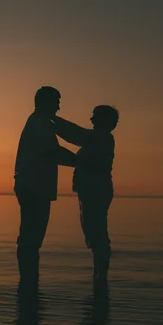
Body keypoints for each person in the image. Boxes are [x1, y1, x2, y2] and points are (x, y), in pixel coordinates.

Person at [13, 86, 77, 286]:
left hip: (33, 185)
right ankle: (29, 280)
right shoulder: (39, 123)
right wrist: (82, 161)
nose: (59, 106)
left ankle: (29, 280)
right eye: (56, 101)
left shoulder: (42, 122)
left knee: (31, 237)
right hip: (34, 186)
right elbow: (52, 152)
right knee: (32, 238)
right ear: (44, 102)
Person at [52, 105, 119, 284]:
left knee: (97, 234)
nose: (91, 119)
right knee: (93, 233)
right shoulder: (97, 139)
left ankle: (101, 278)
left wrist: (53, 121)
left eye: (94, 116)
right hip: (91, 190)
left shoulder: (101, 138)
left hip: (96, 190)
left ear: (105, 121)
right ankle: (98, 277)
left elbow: (76, 134)